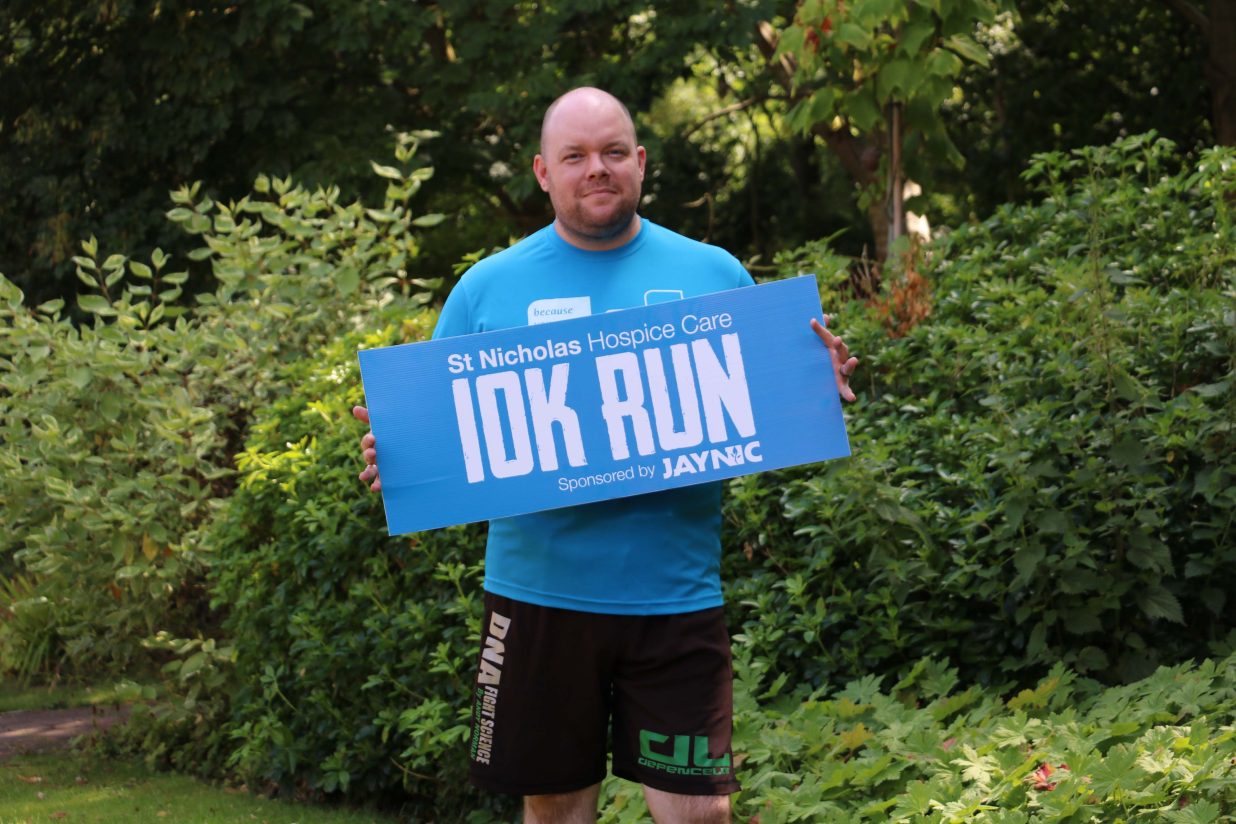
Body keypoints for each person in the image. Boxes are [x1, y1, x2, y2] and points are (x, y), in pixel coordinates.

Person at [352, 87, 858, 824]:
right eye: (577, 156)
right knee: (555, 810)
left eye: (614, 152)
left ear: (641, 163)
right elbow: (444, 438)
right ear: (542, 172)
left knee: (701, 815)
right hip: (539, 598)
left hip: (676, 598)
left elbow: (768, 402)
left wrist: (816, 383)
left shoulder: (714, 274)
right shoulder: (486, 290)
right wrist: (394, 454)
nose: (598, 169)